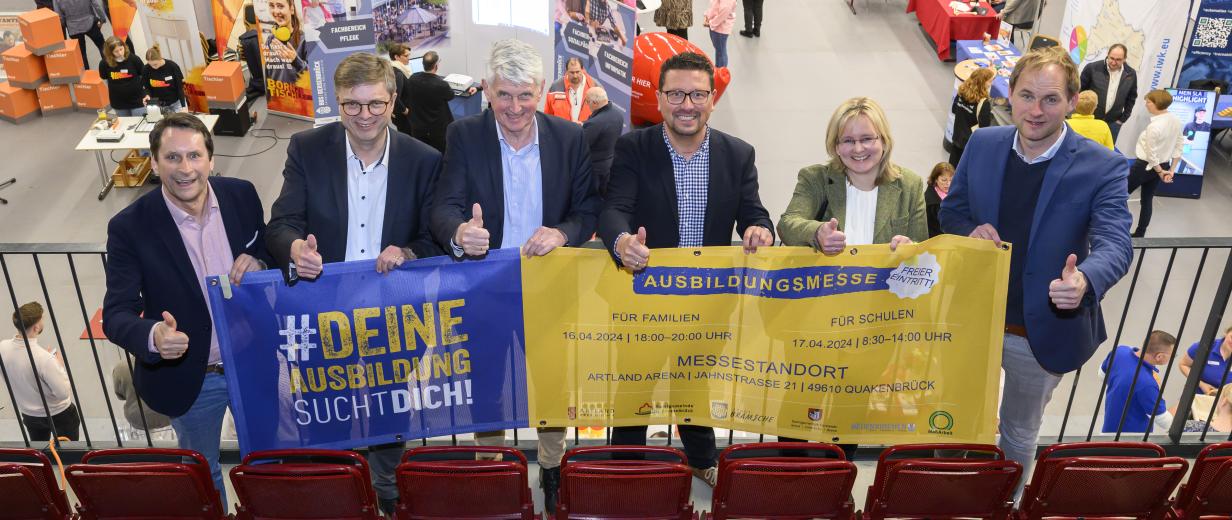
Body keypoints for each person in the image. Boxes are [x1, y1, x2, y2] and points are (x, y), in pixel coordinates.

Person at [939, 46, 1133, 488]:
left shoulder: (1102, 165)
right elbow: (954, 211)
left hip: (1039, 331)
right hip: (973, 320)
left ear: (1071, 100)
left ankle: (1005, 503)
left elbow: (1116, 243)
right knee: (952, 421)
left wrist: (1085, 279)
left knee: (1019, 434)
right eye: (1026, 96)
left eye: (1050, 99)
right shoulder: (983, 143)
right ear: (1010, 94)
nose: (1036, 110)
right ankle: (947, 494)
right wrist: (969, 229)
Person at [265, 52, 443, 516]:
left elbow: (432, 237)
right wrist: (294, 250)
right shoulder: (306, 149)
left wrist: (406, 253)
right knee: (324, 409)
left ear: (394, 101)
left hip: (395, 316)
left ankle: (387, 491)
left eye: (375, 104)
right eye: (352, 105)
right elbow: (281, 222)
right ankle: (334, 491)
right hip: (321, 313)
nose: (364, 116)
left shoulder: (424, 160)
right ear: (337, 104)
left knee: (391, 409)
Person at [429, 38, 600, 514]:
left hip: (551, 288)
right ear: (487, 90)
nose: (515, 107)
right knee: (486, 383)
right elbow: (441, 206)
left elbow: (588, 210)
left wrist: (564, 234)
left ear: (542, 90)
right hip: (485, 288)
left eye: (525, 95)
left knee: (551, 384)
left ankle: (551, 468)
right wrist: (460, 231)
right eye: (504, 95)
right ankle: (492, 468)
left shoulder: (569, 138)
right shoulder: (464, 136)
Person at [599, 51, 774, 488]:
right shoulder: (633, 147)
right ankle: (625, 467)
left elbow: (755, 213)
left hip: (708, 304)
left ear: (712, 99)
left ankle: (701, 458)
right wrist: (621, 242)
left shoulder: (738, 154)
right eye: (675, 94)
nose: (686, 104)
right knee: (633, 385)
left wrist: (760, 231)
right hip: (643, 300)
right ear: (658, 99)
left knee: (694, 383)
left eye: (697, 94)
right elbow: (614, 209)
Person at [103, 113, 270, 507]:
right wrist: (153, 336)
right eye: (173, 158)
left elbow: (265, 251)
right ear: (155, 162)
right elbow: (117, 312)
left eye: (194, 156)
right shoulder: (130, 226)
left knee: (266, 462)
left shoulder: (242, 195)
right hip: (193, 379)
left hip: (253, 364)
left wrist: (261, 263)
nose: (185, 169)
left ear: (211, 160)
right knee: (201, 471)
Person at [778, 96, 927, 254]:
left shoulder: (910, 185)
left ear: (884, 141)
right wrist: (817, 232)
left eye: (867, 139)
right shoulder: (815, 178)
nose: (858, 149)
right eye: (848, 141)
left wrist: (911, 247)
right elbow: (786, 226)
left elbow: (923, 250)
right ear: (836, 147)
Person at [0, 302, 79, 443]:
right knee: (68, 451)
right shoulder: (44, 359)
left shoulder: (2, 347)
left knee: (40, 449)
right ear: (36, 327)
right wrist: (59, 366)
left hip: (29, 414)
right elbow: (62, 394)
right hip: (59, 413)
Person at [1129, 89, 1183, 238]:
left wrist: (1160, 172)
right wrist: (1170, 170)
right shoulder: (1176, 120)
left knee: (1119, 195)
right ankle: (1141, 233)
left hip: (1145, 167)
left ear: (1156, 104)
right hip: (1164, 165)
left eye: (1148, 102)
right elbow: (1179, 146)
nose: (1146, 104)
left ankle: (1112, 230)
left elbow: (1151, 155)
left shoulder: (1154, 127)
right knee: (1147, 200)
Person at [1100, 331, 1177, 433]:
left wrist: (1125, 389)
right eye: (1172, 355)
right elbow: (1166, 422)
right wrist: (1179, 406)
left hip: (1108, 432)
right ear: (1159, 356)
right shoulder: (1147, 384)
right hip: (1132, 442)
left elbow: (1101, 375)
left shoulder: (1119, 351)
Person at [407, 50, 474, 154]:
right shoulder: (441, 85)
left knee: (422, 152)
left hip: (418, 126)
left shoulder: (412, 78)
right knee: (440, 153)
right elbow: (450, 96)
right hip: (437, 129)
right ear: (436, 65)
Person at [1080, 43, 1137, 140]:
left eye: (1118, 60)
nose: (1114, 62)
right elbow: (1080, 92)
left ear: (1124, 59)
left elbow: (1131, 97)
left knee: (1106, 152)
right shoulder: (1092, 68)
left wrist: (1122, 119)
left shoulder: (1131, 74)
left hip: (1113, 124)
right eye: (1111, 58)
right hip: (1090, 120)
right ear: (1108, 54)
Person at [112, 360, 173, 437]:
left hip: (137, 419)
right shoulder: (171, 361)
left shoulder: (120, 368)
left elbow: (120, 396)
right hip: (167, 416)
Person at [582, 86, 624, 198]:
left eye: (587, 101)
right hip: (609, 165)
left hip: (594, 170)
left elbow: (581, 146)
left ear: (595, 103)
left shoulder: (595, 123)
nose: (587, 104)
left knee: (593, 201)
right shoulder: (618, 114)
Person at [950, 67, 995, 167]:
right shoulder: (983, 103)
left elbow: (954, 109)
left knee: (951, 168)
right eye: (990, 81)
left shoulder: (961, 91)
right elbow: (984, 127)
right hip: (970, 143)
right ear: (982, 83)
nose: (991, 84)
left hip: (957, 136)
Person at [53, 0, 106, 71]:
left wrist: (66, 24)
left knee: (81, 54)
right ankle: (109, 71)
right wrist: (102, 19)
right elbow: (96, 5)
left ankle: (87, 76)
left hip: (73, 27)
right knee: (102, 46)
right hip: (90, 22)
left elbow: (59, 15)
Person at [263, 0, 307, 86]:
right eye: (272, 6)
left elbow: (314, 79)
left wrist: (296, 61)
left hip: (298, 98)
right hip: (277, 97)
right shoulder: (270, 40)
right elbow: (268, 76)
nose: (275, 11)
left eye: (280, 6)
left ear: (291, 9)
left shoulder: (304, 40)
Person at [99, 36, 146, 116]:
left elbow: (143, 75)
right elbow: (104, 78)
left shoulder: (134, 59)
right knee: (124, 126)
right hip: (118, 102)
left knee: (140, 124)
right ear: (110, 53)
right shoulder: (104, 64)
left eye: (121, 49)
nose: (120, 53)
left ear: (124, 47)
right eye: (116, 51)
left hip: (137, 100)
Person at [1179, 326, 1232, 396]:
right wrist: (1201, 384)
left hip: (1225, 403)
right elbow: (1183, 364)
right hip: (1195, 399)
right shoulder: (1205, 346)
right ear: (1226, 333)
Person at [545, 57, 596, 124]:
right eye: (572, 72)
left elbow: (602, 115)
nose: (575, 76)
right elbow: (548, 115)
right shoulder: (555, 87)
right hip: (562, 132)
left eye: (577, 72)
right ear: (566, 71)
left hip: (586, 132)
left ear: (582, 69)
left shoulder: (594, 86)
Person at [142, 45, 185, 113]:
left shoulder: (172, 66)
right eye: (150, 65)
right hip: (159, 105)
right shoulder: (146, 69)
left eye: (155, 64)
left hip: (176, 103)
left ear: (160, 58)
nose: (153, 67)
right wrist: (147, 95)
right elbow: (146, 87)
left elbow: (180, 87)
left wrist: (183, 106)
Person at [387, 43, 413, 136]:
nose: (408, 58)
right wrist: (406, 111)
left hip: (398, 114)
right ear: (397, 57)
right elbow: (395, 97)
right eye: (406, 56)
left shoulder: (391, 69)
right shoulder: (398, 73)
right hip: (403, 116)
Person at [704, 0, 737, 68]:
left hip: (720, 28)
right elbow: (714, 4)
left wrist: (711, 23)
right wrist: (707, 15)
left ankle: (721, 73)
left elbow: (725, 11)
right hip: (716, 26)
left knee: (721, 52)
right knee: (719, 50)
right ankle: (718, 68)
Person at [924, 162, 954, 238]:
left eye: (951, 180)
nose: (948, 184)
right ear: (935, 179)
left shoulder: (952, 193)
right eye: (944, 180)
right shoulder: (932, 203)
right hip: (936, 240)